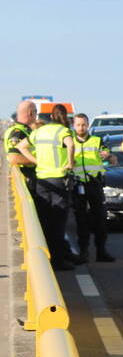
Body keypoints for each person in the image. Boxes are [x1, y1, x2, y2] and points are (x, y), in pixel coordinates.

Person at [19, 104, 76, 270]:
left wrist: (36, 161)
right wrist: (70, 164)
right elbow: (71, 145)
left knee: (44, 221)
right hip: (59, 180)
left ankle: (44, 260)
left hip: (42, 180)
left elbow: (21, 147)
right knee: (58, 223)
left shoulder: (40, 131)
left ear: (51, 117)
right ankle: (58, 261)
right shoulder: (63, 131)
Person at [70, 113, 116, 262]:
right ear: (73, 125)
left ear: (88, 125)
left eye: (83, 124)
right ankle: (83, 251)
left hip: (94, 184)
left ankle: (101, 251)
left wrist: (108, 156)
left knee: (100, 218)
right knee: (81, 219)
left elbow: (113, 159)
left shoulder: (97, 141)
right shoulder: (69, 142)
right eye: (78, 125)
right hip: (78, 185)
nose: (81, 127)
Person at [5, 100, 39, 198]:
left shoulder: (21, 130)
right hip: (26, 179)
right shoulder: (18, 132)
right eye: (36, 112)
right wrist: (36, 161)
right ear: (30, 113)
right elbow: (13, 157)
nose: (36, 115)